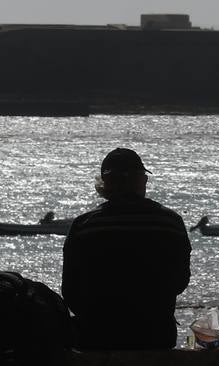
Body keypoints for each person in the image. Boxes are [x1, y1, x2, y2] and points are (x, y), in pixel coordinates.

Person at [61, 147, 191, 349]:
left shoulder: (84, 226)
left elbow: (70, 291)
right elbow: (180, 282)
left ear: (105, 184)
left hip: (96, 335)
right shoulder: (170, 223)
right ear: (142, 181)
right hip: (156, 334)